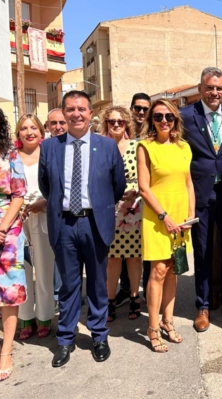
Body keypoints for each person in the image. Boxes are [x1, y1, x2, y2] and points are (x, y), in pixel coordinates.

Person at [39, 90, 126, 367]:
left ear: (91, 114)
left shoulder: (107, 146)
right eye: (70, 109)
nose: (76, 113)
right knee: (69, 284)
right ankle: (66, 338)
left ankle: (99, 335)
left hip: (95, 222)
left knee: (98, 283)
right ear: (63, 113)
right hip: (63, 224)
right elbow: (46, 185)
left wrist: (98, 206)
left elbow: (117, 186)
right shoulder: (50, 147)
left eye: (82, 109)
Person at [181, 67, 222, 332]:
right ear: (200, 89)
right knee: (204, 251)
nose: (215, 92)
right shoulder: (185, 116)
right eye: (210, 88)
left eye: (219, 88)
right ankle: (203, 306)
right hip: (200, 194)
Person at [137, 99, 195, 352]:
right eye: (158, 116)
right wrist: (165, 217)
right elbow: (144, 188)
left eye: (168, 117)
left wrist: (190, 215)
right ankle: (151, 327)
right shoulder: (145, 147)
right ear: (151, 119)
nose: (163, 121)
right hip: (157, 217)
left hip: (182, 219)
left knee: (173, 269)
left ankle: (167, 321)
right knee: (158, 271)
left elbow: (188, 183)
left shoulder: (184, 147)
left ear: (175, 121)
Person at [0, 105, 28, 382]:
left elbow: (19, 195)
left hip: (9, 231)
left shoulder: (10, 154)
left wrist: (1, 228)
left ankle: (6, 351)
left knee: (8, 292)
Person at [99, 106, 142, 322]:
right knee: (112, 259)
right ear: (105, 123)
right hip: (108, 208)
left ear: (127, 124)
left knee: (134, 258)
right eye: (112, 121)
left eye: (121, 121)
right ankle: (110, 300)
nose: (116, 125)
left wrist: (136, 190)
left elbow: (145, 177)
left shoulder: (136, 146)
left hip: (133, 208)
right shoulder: (100, 146)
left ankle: (135, 298)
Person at [15, 115, 55, 341]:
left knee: (44, 269)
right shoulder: (11, 157)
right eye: (24, 128)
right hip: (17, 221)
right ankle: (25, 318)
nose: (29, 132)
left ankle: (45, 317)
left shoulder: (48, 155)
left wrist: (45, 202)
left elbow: (57, 186)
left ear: (41, 132)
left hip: (43, 217)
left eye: (33, 128)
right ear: (18, 134)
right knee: (21, 271)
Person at [117, 93, 152, 308]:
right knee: (123, 248)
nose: (140, 112)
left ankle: (147, 289)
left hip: (145, 197)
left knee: (146, 248)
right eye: (137, 108)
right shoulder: (123, 131)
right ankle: (126, 289)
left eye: (145, 109)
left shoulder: (152, 132)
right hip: (125, 199)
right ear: (131, 109)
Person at [45, 108, 66, 311]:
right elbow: (45, 183)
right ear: (48, 126)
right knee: (52, 259)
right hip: (51, 210)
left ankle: (65, 294)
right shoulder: (46, 147)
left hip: (73, 213)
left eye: (62, 122)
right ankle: (57, 296)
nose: (58, 127)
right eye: (54, 123)